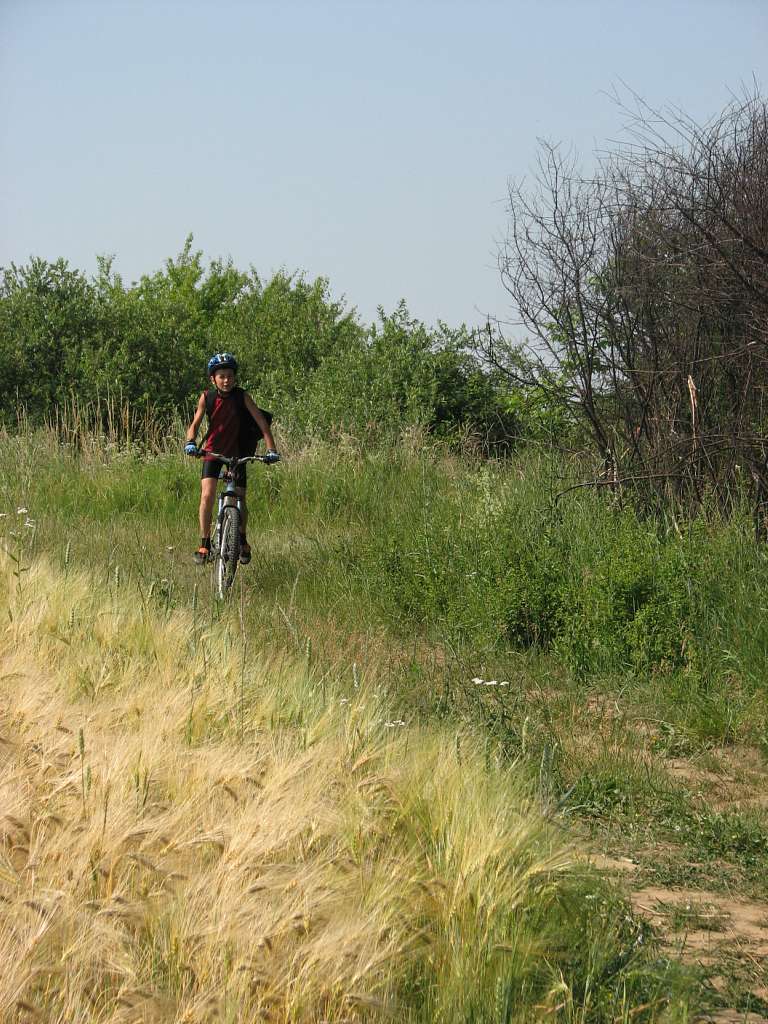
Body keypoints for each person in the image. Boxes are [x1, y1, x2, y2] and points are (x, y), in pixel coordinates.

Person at [184, 352, 279, 565]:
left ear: (234, 377)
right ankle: (205, 543)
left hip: (237, 455)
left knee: (240, 498)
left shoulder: (242, 396)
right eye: (221, 376)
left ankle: (242, 539)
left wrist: (271, 450)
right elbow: (195, 424)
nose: (226, 380)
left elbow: (262, 424)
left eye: (230, 376)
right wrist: (191, 442)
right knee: (207, 496)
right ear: (213, 379)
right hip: (212, 453)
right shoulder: (206, 397)